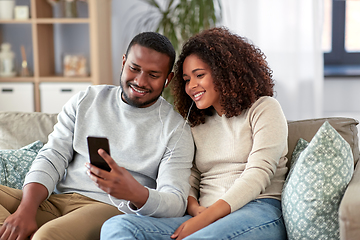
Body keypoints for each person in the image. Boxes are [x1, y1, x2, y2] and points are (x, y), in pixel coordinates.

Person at [0, 32, 194, 240]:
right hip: (56, 200)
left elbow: (176, 201)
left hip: (108, 208)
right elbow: (52, 156)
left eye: (153, 75)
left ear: (168, 79)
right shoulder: (87, 100)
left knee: (46, 236)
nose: (140, 81)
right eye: (134, 68)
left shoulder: (176, 130)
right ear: (123, 62)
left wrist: (135, 192)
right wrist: (26, 211)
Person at [100, 27, 288, 240]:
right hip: (203, 213)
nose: (191, 86)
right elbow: (191, 175)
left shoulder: (264, 108)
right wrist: (194, 208)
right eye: (187, 79)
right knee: (117, 226)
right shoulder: (196, 121)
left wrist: (203, 220)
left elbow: (259, 173)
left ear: (224, 72)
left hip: (257, 210)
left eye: (199, 75)